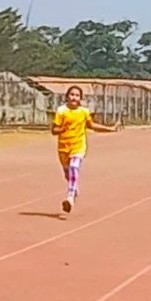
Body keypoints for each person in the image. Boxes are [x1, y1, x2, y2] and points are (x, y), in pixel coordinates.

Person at [51, 85, 117, 214]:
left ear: (80, 98)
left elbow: (91, 125)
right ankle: (74, 189)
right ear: (67, 97)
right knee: (68, 175)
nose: (74, 97)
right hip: (64, 148)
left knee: (74, 167)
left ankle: (70, 198)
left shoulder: (84, 112)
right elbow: (54, 130)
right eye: (72, 95)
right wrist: (62, 129)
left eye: (77, 95)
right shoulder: (61, 111)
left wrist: (110, 129)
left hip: (78, 146)